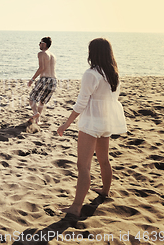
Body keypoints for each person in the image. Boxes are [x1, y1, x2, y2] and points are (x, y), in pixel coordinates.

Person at [57, 38, 127, 217]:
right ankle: (105, 191)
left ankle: (76, 207)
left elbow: (81, 103)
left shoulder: (91, 73)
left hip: (91, 123)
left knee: (83, 166)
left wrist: (66, 124)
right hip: (106, 121)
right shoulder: (113, 74)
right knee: (104, 159)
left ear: (93, 52)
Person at [27, 36, 57, 124]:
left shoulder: (41, 53)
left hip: (45, 79)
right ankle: (37, 121)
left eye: (40, 42)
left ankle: (36, 113)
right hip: (54, 80)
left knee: (31, 99)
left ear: (44, 44)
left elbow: (41, 68)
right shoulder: (53, 56)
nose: (39, 44)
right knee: (42, 101)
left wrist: (32, 79)